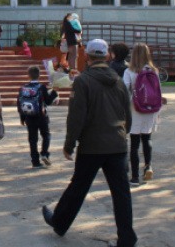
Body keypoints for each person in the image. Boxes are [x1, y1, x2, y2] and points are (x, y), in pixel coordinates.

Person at [42, 39, 137, 247]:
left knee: (79, 186)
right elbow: (127, 113)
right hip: (117, 144)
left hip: (92, 145)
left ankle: (60, 222)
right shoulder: (118, 80)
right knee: (121, 193)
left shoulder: (83, 81)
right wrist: (124, 132)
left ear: (87, 55)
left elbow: (77, 116)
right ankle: (127, 238)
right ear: (107, 56)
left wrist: (69, 144)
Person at [123, 43, 161, 187]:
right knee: (147, 138)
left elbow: (124, 90)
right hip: (150, 109)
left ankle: (134, 177)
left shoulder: (129, 71)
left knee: (134, 143)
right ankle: (148, 166)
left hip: (135, 108)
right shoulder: (154, 71)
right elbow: (158, 90)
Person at [17, 66, 59, 169]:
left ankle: (35, 162)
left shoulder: (24, 88)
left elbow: (21, 103)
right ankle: (44, 153)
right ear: (39, 75)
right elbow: (48, 101)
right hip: (41, 116)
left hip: (29, 117)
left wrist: (22, 118)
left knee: (32, 139)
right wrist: (54, 92)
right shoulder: (42, 88)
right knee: (46, 135)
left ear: (28, 75)